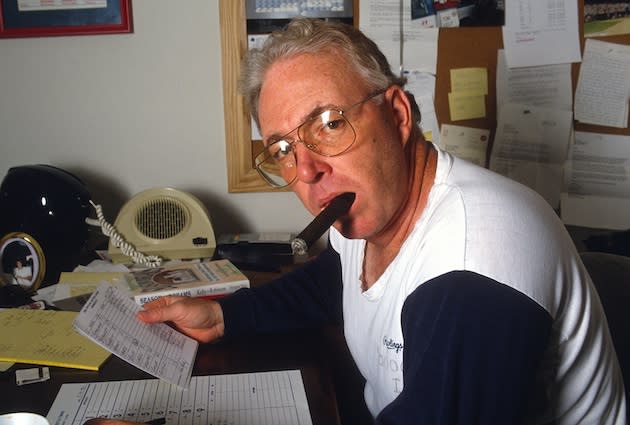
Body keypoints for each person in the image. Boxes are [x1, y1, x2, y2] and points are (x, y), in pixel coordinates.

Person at [90, 18, 626, 424]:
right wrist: (224, 316)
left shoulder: (473, 270)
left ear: (397, 114)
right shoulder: (371, 215)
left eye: (329, 124)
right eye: (282, 147)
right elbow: (331, 282)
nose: (306, 170)